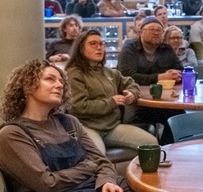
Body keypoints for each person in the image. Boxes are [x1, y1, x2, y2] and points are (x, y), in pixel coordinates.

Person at [0, 59, 152, 192]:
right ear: (28, 86)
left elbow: (102, 162)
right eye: (50, 79)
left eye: (61, 81)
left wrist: (107, 181)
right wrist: (89, 167)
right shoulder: (12, 134)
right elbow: (48, 184)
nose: (59, 84)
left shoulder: (68, 122)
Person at [64, 29, 158, 158]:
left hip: (112, 127)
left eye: (102, 44)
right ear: (80, 48)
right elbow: (76, 107)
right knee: (98, 156)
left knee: (151, 143)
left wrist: (132, 94)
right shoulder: (74, 74)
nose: (99, 48)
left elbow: (131, 83)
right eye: (93, 44)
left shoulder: (108, 72)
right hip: (87, 128)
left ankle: (141, 178)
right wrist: (111, 102)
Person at [117, 17, 183, 86]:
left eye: (159, 30)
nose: (156, 33)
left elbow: (181, 70)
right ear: (140, 32)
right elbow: (127, 76)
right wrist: (161, 77)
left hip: (164, 91)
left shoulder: (167, 49)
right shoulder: (129, 49)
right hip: (134, 92)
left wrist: (176, 74)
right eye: (151, 29)